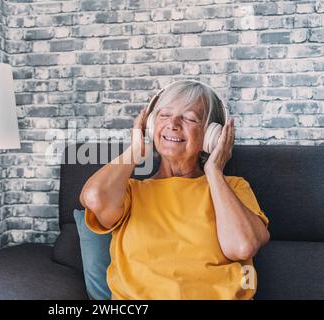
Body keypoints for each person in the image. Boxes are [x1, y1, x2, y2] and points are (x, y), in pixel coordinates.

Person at [79, 80, 270, 299]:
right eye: (164, 115)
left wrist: (214, 172)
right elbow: (94, 197)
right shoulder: (130, 193)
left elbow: (242, 246)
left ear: (211, 135)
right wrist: (135, 151)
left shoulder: (233, 187)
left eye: (189, 118)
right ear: (150, 125)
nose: (173, 124)